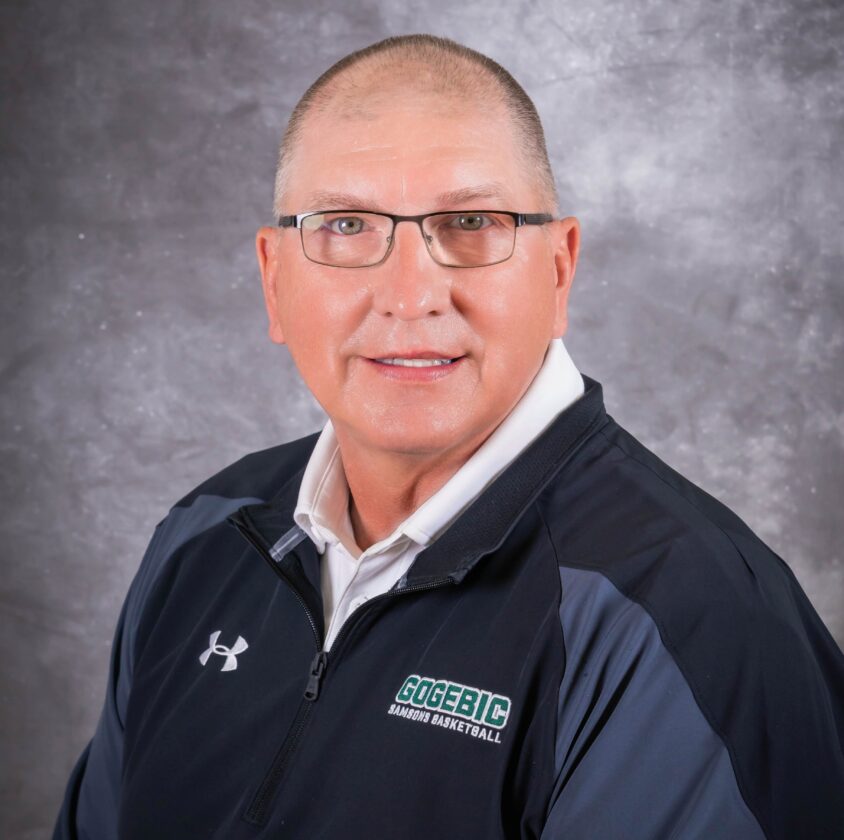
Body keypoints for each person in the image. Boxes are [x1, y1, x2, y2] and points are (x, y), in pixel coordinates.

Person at [53, 34, 843, 840]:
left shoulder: (690, 613)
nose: (409, 295)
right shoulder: (202, 537)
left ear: (559, 269)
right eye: (346, 224)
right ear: (274, 278)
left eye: (471, 221)